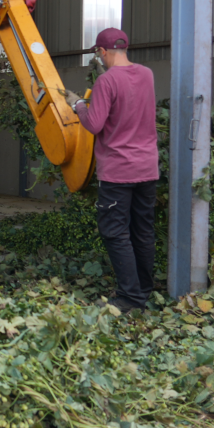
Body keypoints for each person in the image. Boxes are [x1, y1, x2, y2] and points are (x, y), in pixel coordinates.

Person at [70, 27, 159, 314]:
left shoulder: (107, 81)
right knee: (142, 230)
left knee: (115, 232)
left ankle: (131, 298)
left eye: (99, 54)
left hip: (118, 171)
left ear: (103, 52)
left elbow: (94, 125)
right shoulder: (147, 74)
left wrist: (79, 105)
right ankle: (143, 289)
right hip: (147, 168)